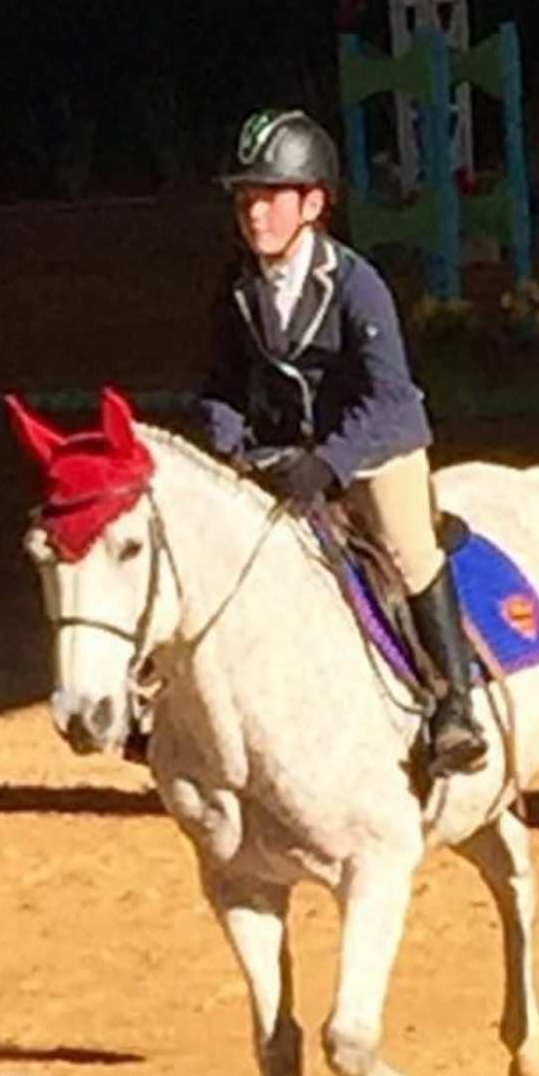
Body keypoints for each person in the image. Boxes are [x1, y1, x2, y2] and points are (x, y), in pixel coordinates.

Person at [200, 107, 487, 778]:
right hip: (283, 456)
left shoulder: (358, 285)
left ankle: (455, 707)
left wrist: (328, 463)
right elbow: (218, 385)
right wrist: (230, 446)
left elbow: (389, 397)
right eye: (245, 199)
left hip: (373, 448)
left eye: (269, 197)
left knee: (409, 551)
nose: (254, 213)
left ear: (313, 202)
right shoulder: (235, 288)